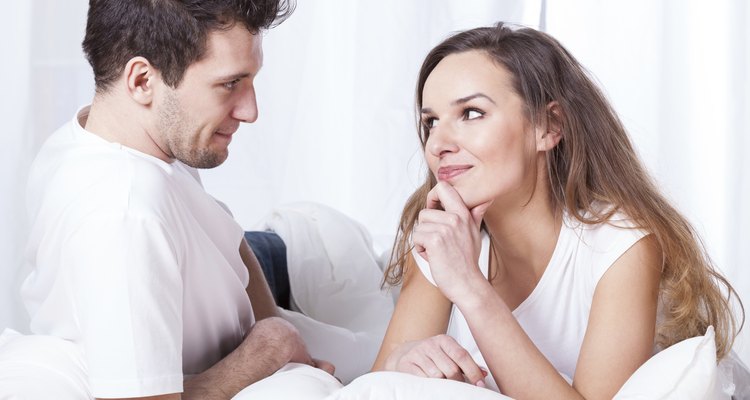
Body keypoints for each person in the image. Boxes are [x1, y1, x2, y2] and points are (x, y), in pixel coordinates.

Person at [372, 22, 744, 399]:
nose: (438, 143)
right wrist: (401, 360)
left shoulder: (623, 247)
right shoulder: (445, 235)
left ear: (549, 126)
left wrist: (469, 286)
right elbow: (374, 388)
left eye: (471, 113)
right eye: (430, 121)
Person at [2, 0, 335, 399]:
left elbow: (222, 227)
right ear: (142, 80)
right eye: (230, 83)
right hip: (227, 291)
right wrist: (271, 346)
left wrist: (274, 322)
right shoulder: (123, 216)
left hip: (242, 264)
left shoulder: (118, 131)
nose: (251, 111)